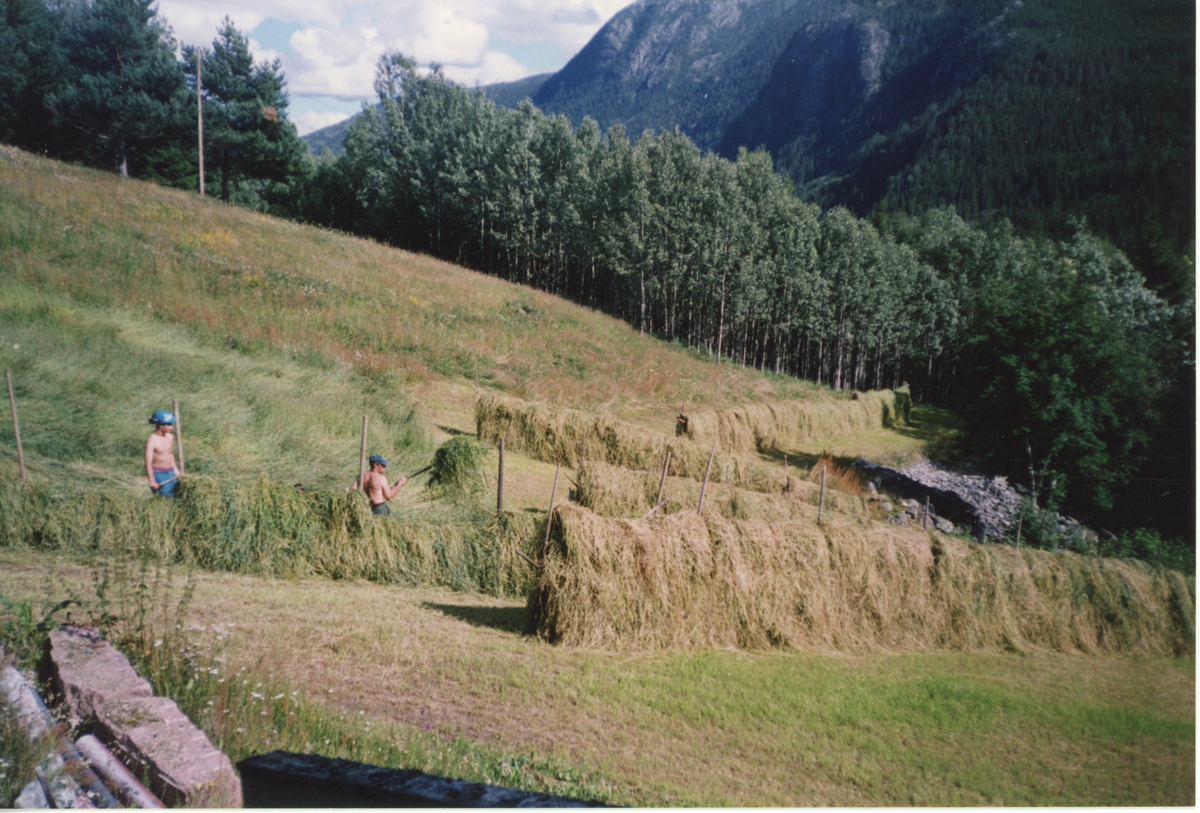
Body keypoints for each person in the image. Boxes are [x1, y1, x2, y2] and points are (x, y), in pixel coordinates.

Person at [145, 409, 180, 497]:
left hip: (170, 472)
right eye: (169, 425)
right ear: (161, 425)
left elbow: (170, 453)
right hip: (159, 474)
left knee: (176, 494)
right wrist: (152, 480)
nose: (171, 427)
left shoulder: (170, 437)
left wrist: (175, 469)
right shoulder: (152, 440)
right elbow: (148, 462)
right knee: (166, 497)